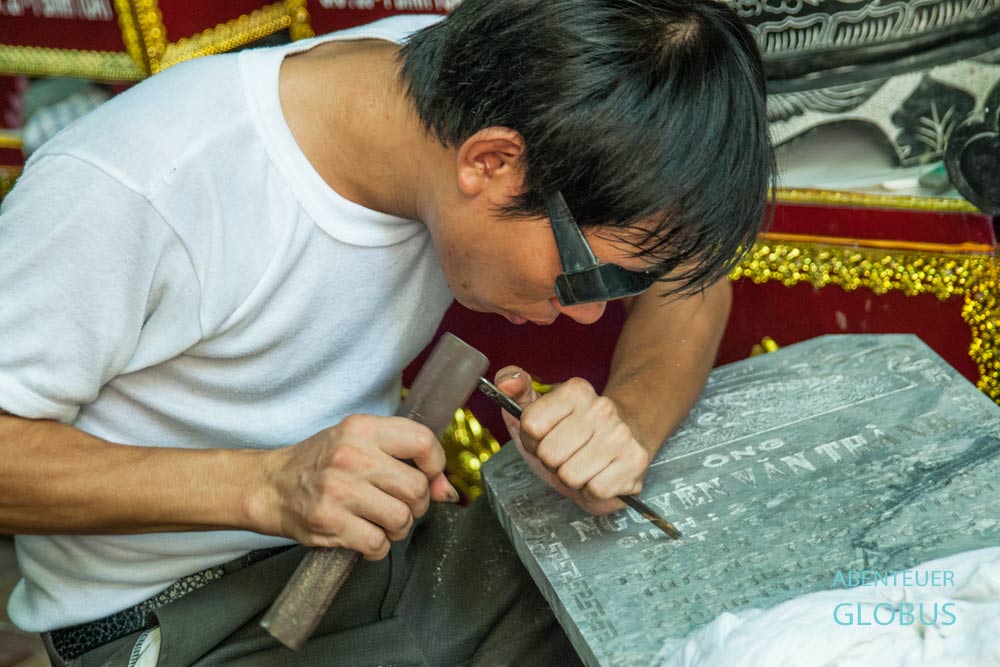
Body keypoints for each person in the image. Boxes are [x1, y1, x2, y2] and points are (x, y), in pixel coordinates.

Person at [0, 0, 773, 664]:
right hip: (184, 618)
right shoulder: (144, 183)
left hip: (388, 557)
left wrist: (627, 423)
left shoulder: (489, 88)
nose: (589, 315)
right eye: (590, 278)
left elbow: (685, 276)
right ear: (492, 164)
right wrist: (267, 485)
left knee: (747, 610)